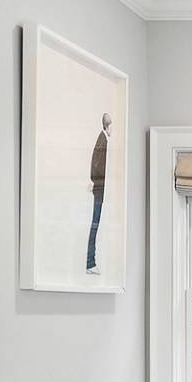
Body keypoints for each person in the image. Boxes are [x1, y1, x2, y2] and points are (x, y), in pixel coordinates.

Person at [86, 112, 109, 273]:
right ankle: (90, 262)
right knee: (95, 225)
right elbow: (96, 166)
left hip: (99, 190)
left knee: (96, 225)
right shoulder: (102, 140)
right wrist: (97, 183)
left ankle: (91, 262)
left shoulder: (103, 140)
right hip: (99, 192)